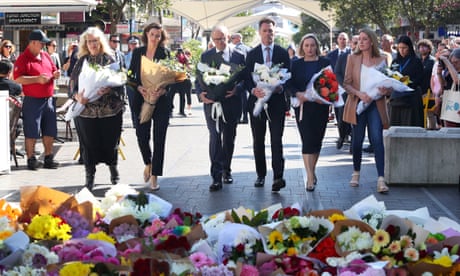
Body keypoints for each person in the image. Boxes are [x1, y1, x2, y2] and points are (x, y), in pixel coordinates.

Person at [69, 27, 125, 190]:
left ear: (101, 41)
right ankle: (89, 176)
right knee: (88, 144)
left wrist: (110, 89)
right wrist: (77, 96)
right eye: (89, 41)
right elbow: (72, 85)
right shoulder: (81, 61)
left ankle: (113, 170)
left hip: (109, 110)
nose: (92, 44)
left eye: (95, 41)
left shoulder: (110, 59)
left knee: (110, 142)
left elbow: (121, 82)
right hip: (86, 110)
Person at [196, 25, 245, 192]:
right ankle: (215, 176)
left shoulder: (239, 56)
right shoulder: (206, 56)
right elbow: (198, 78)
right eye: (217, 39)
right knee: (215, 137)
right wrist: (200, 94)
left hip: (232, 103)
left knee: (229, 138)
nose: (221, 42)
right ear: (212, 40)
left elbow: (246, 78)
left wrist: (237, 89)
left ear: (229, 37)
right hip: (212, 104)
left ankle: (226, 170)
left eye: (223, 38)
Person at [245, 17, 291, 192]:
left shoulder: (282, 52)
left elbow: (289, 74)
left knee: (276, 139)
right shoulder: (252, 54)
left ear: (275, 32)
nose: (268, 34)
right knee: (258, 140)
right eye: (265, 30)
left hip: (277, 103)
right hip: (257, 103)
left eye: (271, 30)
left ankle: (278, 176)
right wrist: (253, 90)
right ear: (259, 32)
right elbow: (246, 78)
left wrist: (281, 86)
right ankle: (260, 175)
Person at [342, 28, 391, 194]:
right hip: (358, 104)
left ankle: (381, 179)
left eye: (364, 39)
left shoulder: (382, 59)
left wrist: (386, 91)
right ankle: (356, 173)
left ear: (372, 41)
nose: (361, 42)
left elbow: (389, 83)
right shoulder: (352, 59)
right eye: (360, 39)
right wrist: (359, 94)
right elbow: (346, 83)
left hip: (376, 105)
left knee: (377, 139)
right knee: (357, 140)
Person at [127, 22, 172, 191]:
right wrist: (139, 87)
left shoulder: (165, 54)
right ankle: (148, 163)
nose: (154, 38)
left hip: (161, 103)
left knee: (159, 139)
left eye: (158, 36)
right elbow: (130, 77)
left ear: (161, 38)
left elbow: (171, 79)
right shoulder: (138, 53)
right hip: (141, 101)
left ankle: (155, 176)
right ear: (146, 34)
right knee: (141, 135)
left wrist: (162, 90)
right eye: (152, 34)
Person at [287, 34, 331, 192]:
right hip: (303, 106)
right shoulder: (296, 64)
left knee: (317, 141)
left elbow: (331, 82)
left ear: (316, 46)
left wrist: (325, 97)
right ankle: (310, 177)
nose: (310, 48)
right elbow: (289, 82)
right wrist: (298, 94)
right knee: (307, 140)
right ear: (302, 47)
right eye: (306, 45)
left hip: (320, 107)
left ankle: (312, 170)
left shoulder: (325, 62)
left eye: (312, 45)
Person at [13, 29, 60, 171]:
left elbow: (53, 70)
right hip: (33, 100)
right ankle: (31, 159)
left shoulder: (45, 55)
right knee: (32, 131)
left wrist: (56, 74)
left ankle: (48, 157)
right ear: (33, 43)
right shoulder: (23, 58)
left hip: (49, 99)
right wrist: (36, 79)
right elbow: (18, 78)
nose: (43, 46)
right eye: (41, 43)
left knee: (50, 130)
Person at [389, 35, 424, 127]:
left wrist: (408, 83)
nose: (402, 50)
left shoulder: (416, 61)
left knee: (410, 123)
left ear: (409, 48)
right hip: (397, 97)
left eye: (404, 48)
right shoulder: (395, 61)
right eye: (399, 48)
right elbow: (391, 75)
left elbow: (420, 78)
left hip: (411, 97)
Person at [231, 33, 251, 124]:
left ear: (239, 38)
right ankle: (246, 116)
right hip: (248, 75)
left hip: (239, 76)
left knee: (239, 97)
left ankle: (239, 117)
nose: (231, 40)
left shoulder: (237, 49)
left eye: (233, 38)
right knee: (245, 97)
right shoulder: (248, 48)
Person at [437, 48, 460, 127]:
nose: (454, 65)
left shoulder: (453, 72)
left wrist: (447, 62)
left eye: (456, 62)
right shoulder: (450, 72)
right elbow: (444, 85)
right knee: (448, 129)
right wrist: (439, 74)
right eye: (452, 63)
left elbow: (457, 80)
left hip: (457, 104)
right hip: (449, 102)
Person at [170, 48, 192, 117]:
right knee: (182, 95)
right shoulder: (184, 58)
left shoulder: (174, 59)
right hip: (182, 79)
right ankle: (181, 111)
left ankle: (171, 111)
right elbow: (189, 67)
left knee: (171, 96)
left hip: (175, 79)